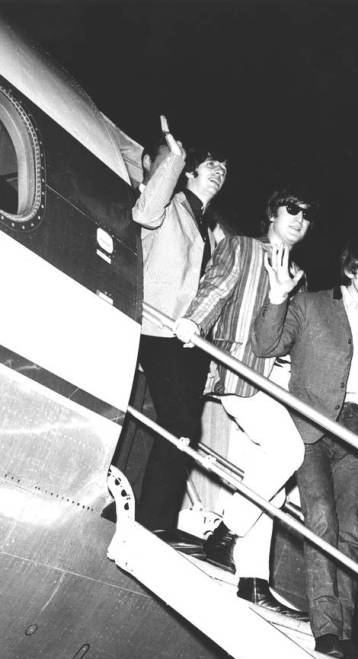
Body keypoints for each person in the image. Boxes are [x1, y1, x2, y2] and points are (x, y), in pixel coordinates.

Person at [253, 237, 358, 659]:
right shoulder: (313, 304)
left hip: (357, 428)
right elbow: (267, 345)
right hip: (310, 423)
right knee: (321, 522)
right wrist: (278, 296)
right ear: (352, 269)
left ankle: (346, 631)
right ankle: (327, 630)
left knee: (352, 531)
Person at [174, 188, 317, 619]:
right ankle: (224, 531)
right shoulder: (243, 248)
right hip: (238, 371)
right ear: (272, 213)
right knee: (289, 452)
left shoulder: (299, 274)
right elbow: (217, 287)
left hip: (275, 382)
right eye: (292, 209)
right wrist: (193, 321)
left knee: (265, 476)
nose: (298, 218)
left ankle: (253, 579)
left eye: (307, 215)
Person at [133, 116, 228, 547]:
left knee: (184, 431)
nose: (220, 170)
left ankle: (157, 518)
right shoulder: (168, 206)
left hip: (191, 341)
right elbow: (144, 211)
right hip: (158, 327)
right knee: (181, 422)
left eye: (224, 168)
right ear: (189, 170)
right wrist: (174, 155)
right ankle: (154, 521)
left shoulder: (213, 227)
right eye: (212, 164)